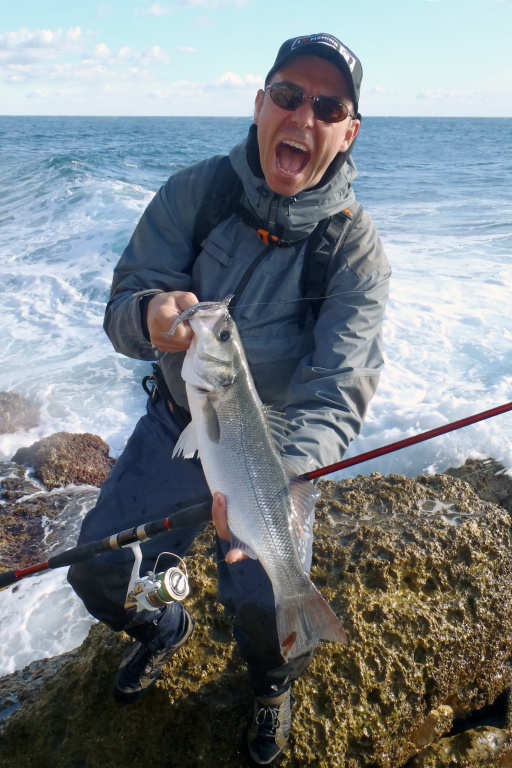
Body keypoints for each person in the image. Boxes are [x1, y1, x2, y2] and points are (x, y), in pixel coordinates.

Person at [68, 32, 391, 765]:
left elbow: (337, 392)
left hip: (266, 456)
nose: (303, 115)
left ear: (348, 132)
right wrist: (150, 318)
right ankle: (162, 627)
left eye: (328, 105)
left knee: (271, 601)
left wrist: (277, 479)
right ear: (260, 102)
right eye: (288, 95)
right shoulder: (198, 191)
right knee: (96, 569)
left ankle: (271, 687)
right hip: (181, 425)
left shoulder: (356, 251)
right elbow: (125, 304)